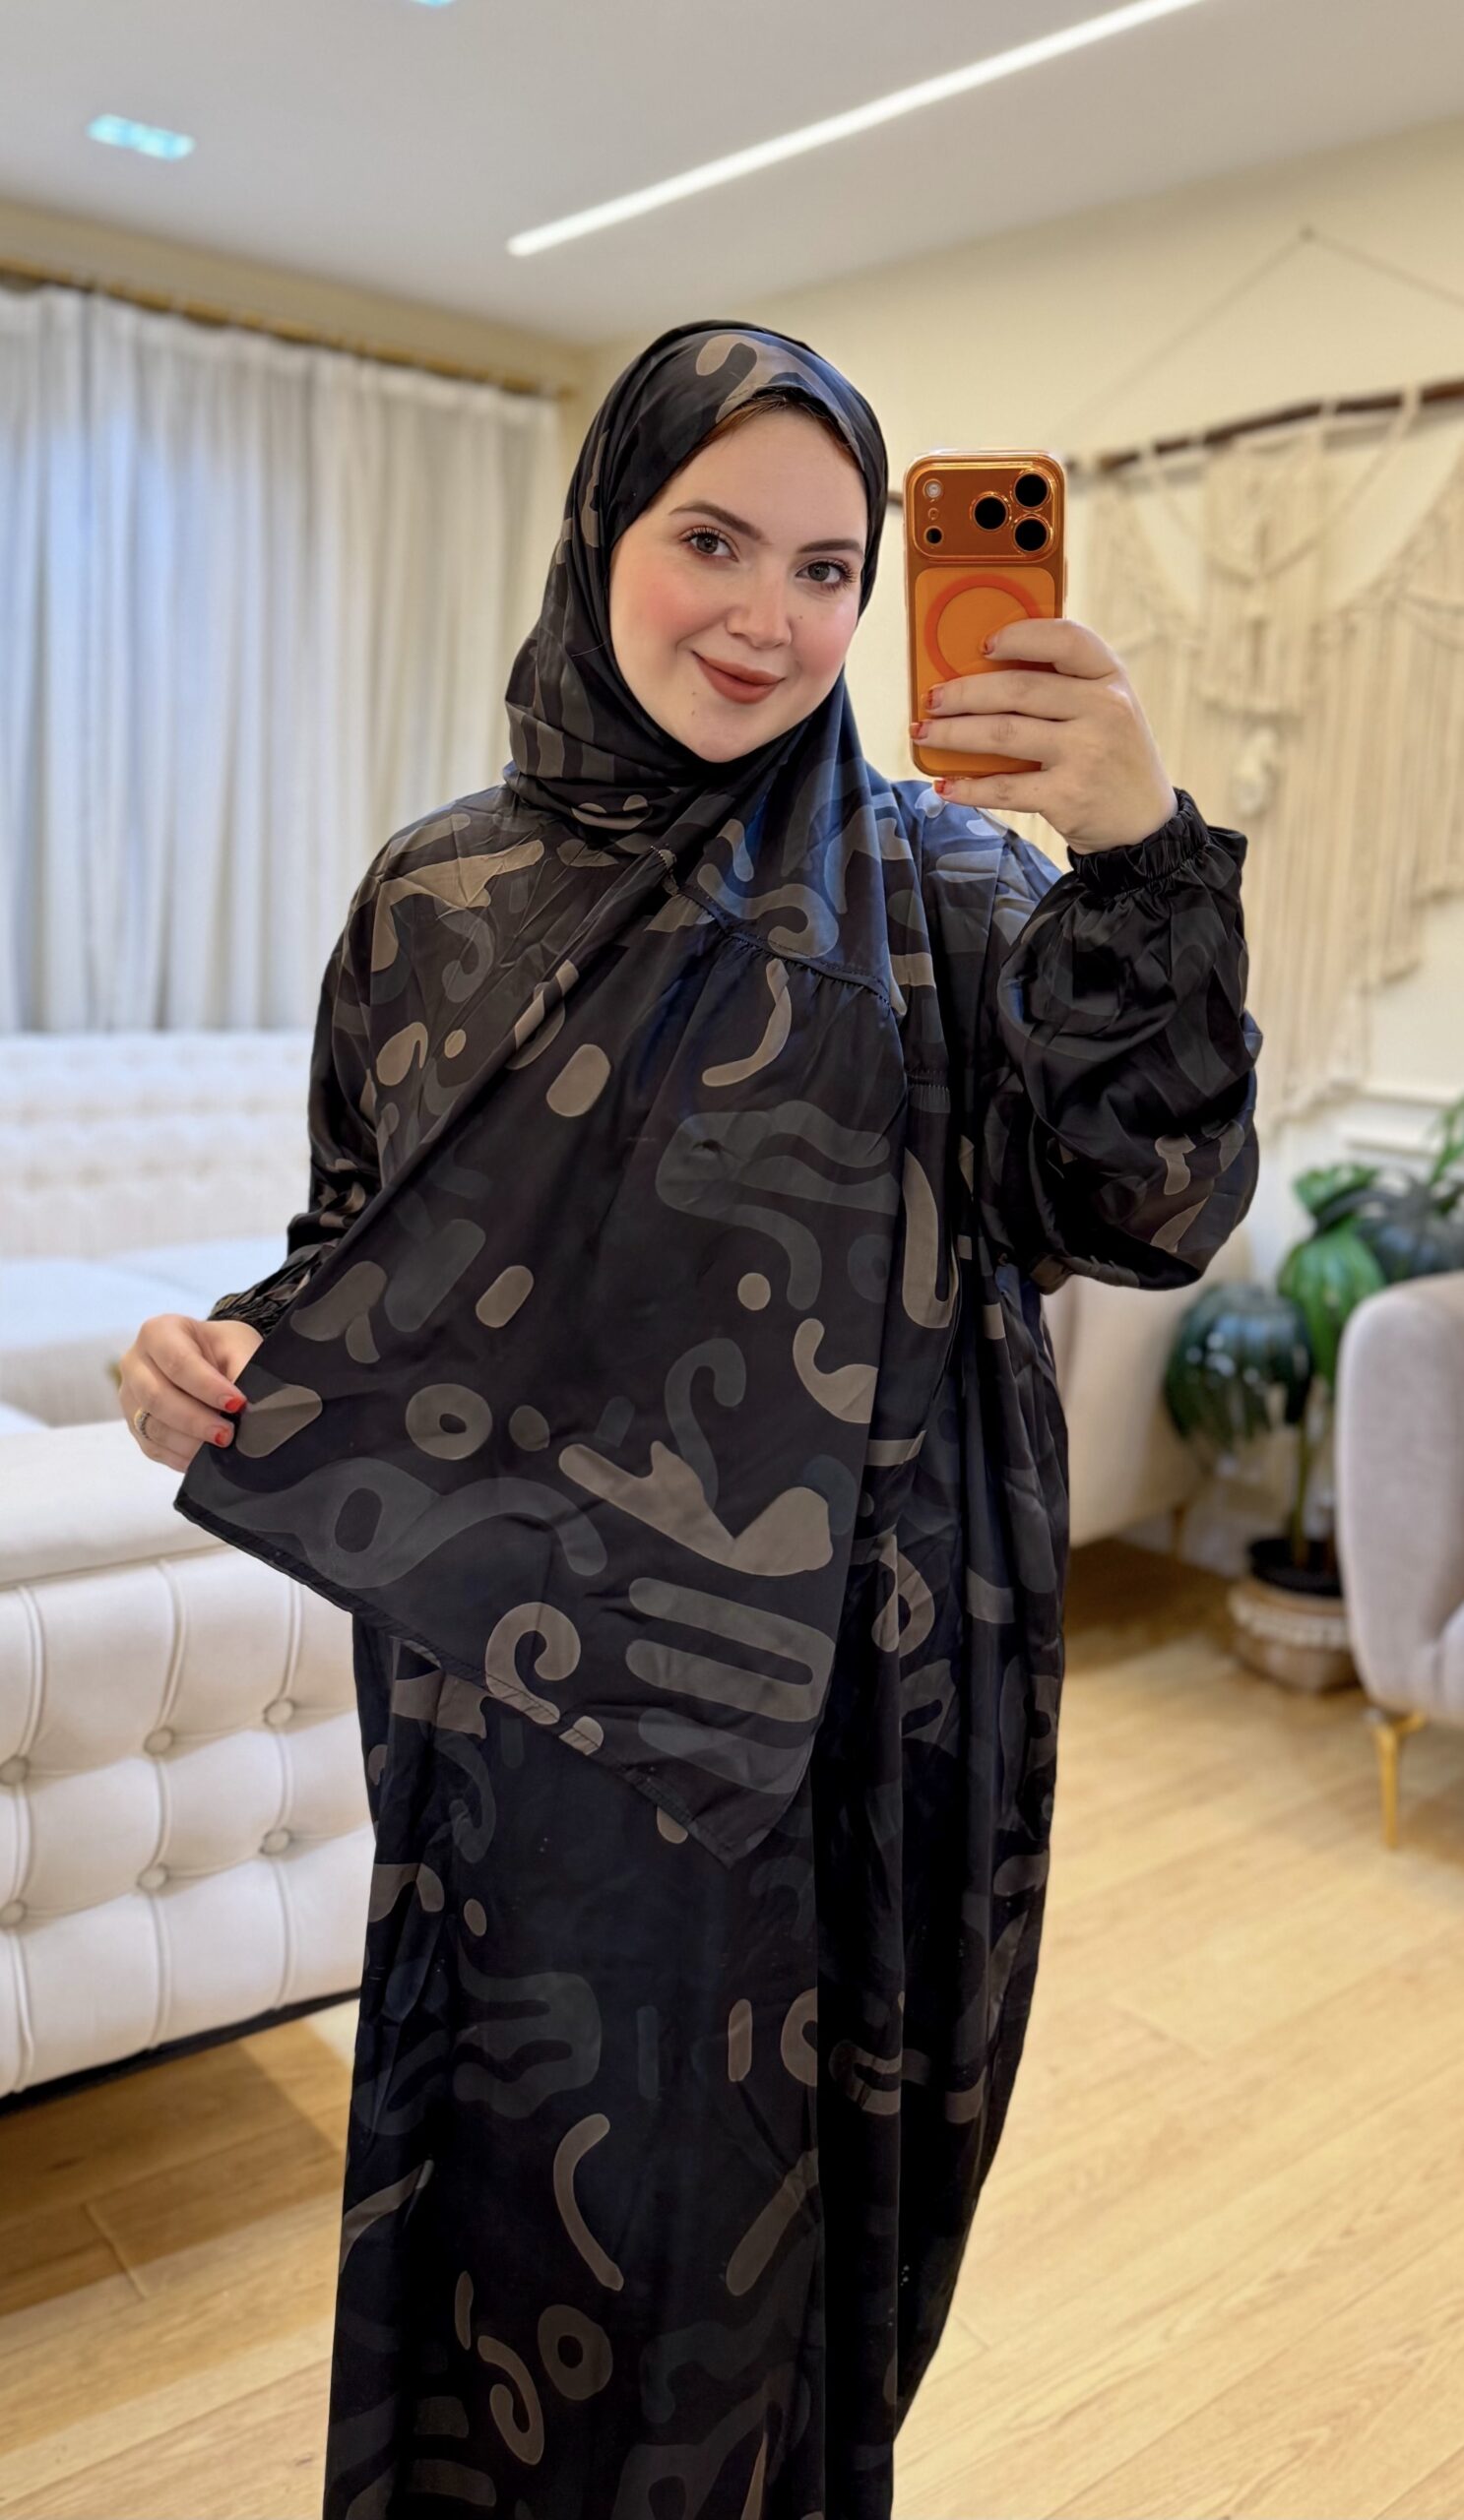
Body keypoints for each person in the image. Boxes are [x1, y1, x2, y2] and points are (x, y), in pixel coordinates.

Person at [117, 320, 1260, 2520]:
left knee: (777, 2266)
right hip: (518, 1707)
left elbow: (1156, 1207)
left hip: (856, 1716)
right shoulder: (437, 896)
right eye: (712, 540)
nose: (769, 616)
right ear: (600, 535)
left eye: (831, 568)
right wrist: (219, 1356)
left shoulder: (962, 891)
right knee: (517, 2195)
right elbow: (374, 1242)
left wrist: (1141, 860)